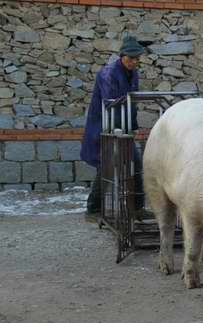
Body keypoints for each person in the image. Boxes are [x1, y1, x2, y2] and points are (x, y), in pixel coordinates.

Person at [80, 35, 147, 222]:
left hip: (124, 126)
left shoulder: (133, 73)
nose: (134, 62)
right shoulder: (108, 73)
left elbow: (131, 102)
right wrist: (119, 129)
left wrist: (131, 127)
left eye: (136, 59)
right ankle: (93, 209)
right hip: (106, 125)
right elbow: (113, 103)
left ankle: (136, 208)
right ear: (122, 55)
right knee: (107, 167)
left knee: (136, 164)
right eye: (130, 58)